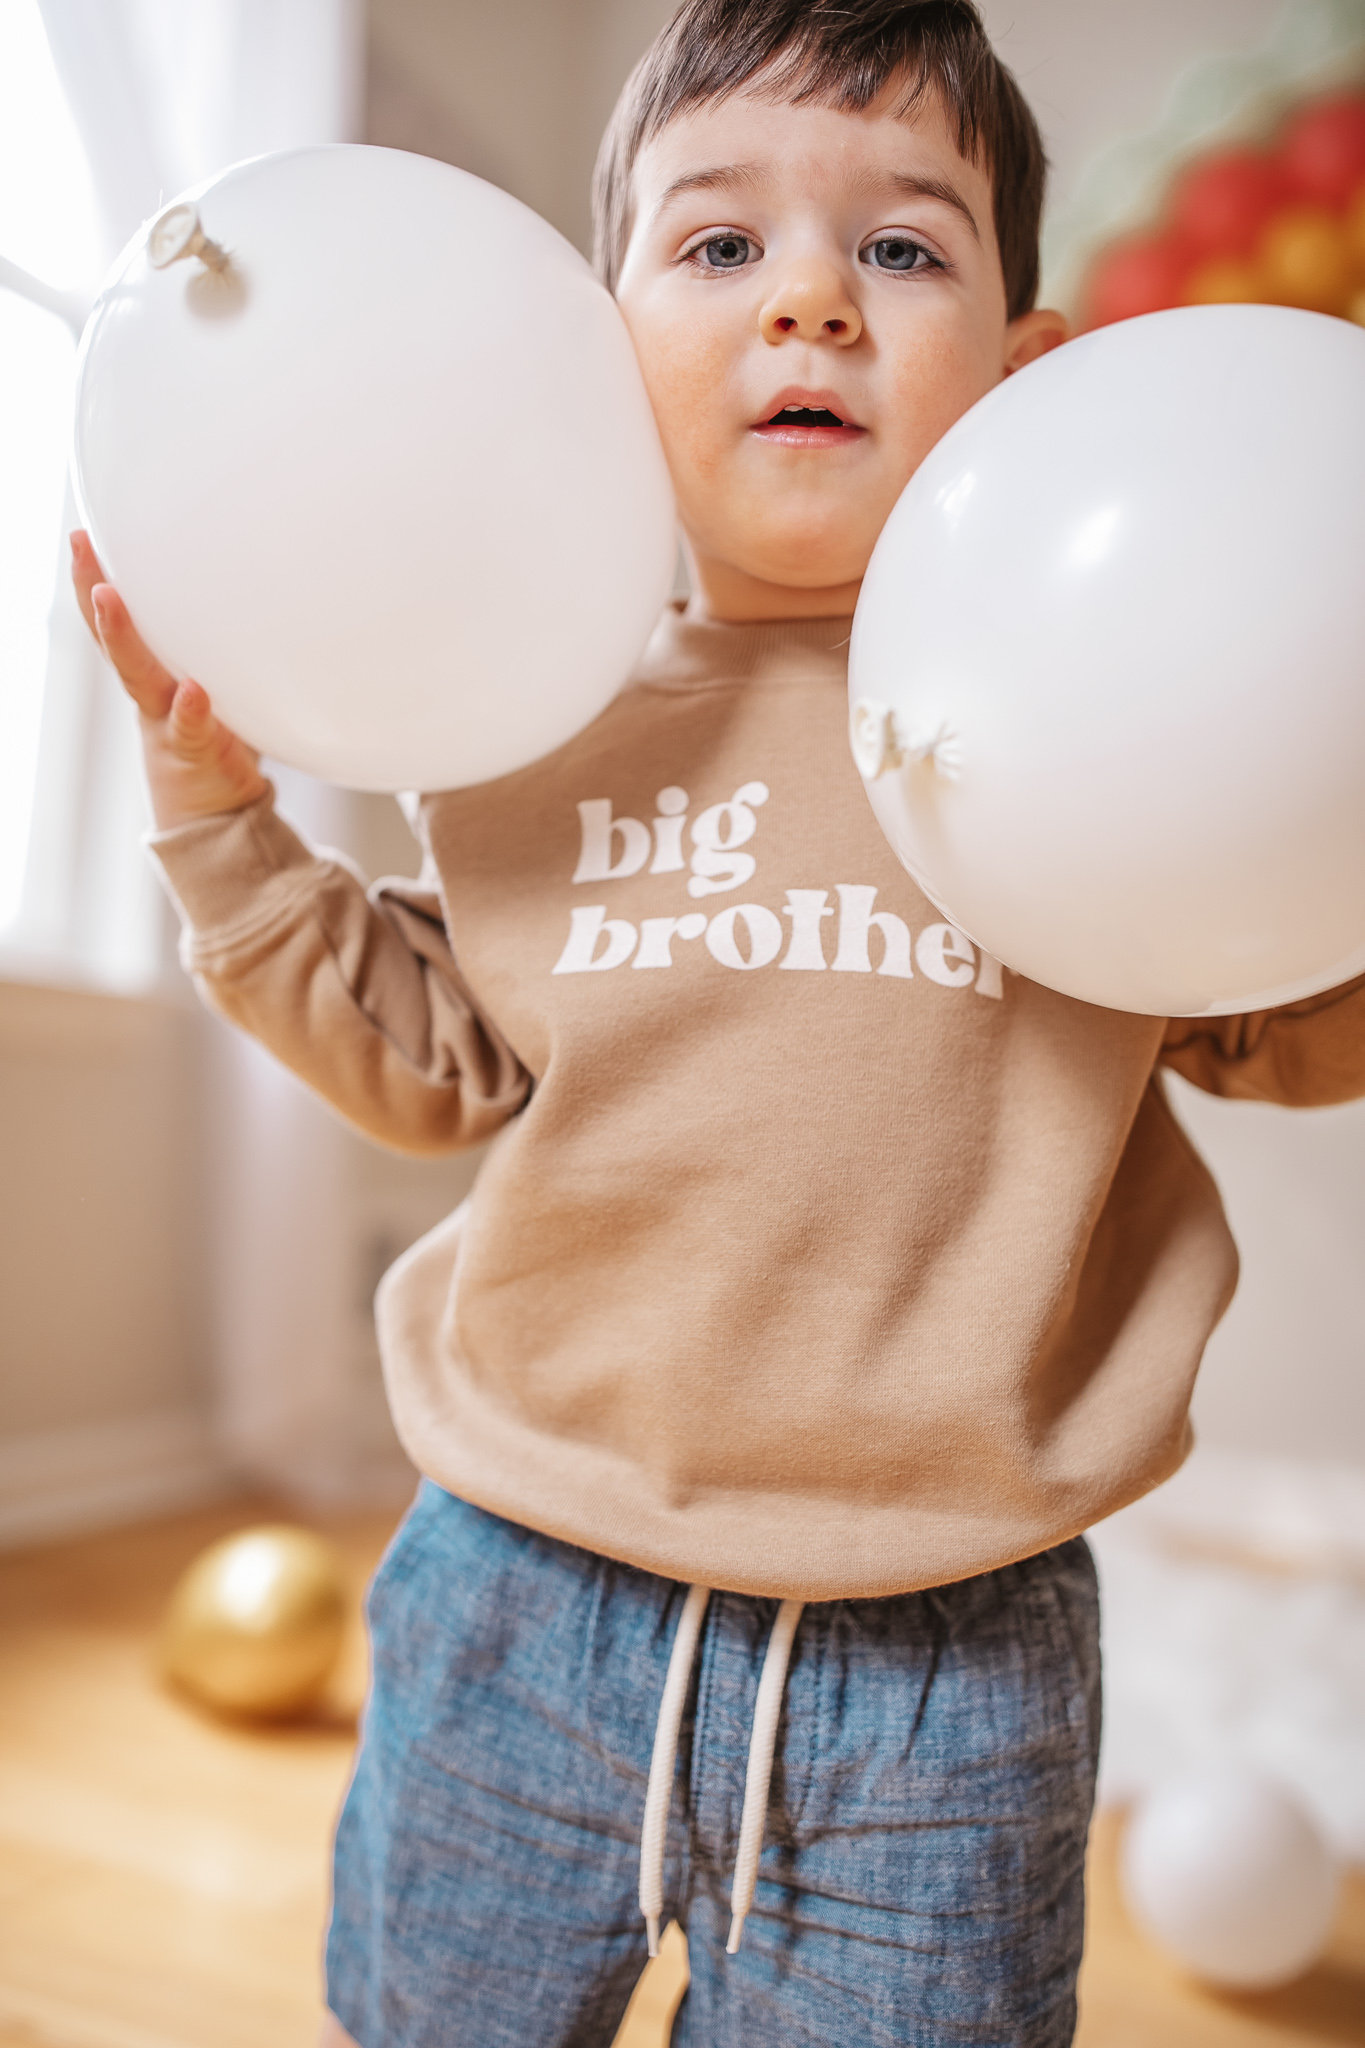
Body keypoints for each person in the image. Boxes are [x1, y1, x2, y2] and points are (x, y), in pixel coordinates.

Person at [70, 3, 1365, 2043]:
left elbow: (1284, 1017)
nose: (813, 308)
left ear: (1029, 381)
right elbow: (432, 1053)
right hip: (524, 1585)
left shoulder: (1109, 708)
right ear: (593, 360)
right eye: (719, 246)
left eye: (905, 249)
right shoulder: (536, 712)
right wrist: (220, 815)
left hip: (946, 1664)